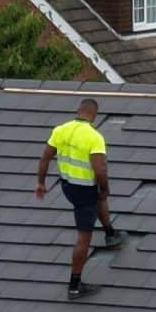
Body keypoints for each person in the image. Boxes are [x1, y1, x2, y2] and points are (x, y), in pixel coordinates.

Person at [35, 97, 123, 299]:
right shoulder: (94, 137)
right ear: (94, 115)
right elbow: (100, 170)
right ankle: (74, 286)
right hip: (84, 190)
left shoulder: (60, 130)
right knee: (84, 237)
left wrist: (41, 183)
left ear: (79, 111)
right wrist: (105, 188)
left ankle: (111, 233)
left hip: (68, 186)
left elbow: (45, 158)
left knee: (98, 199)